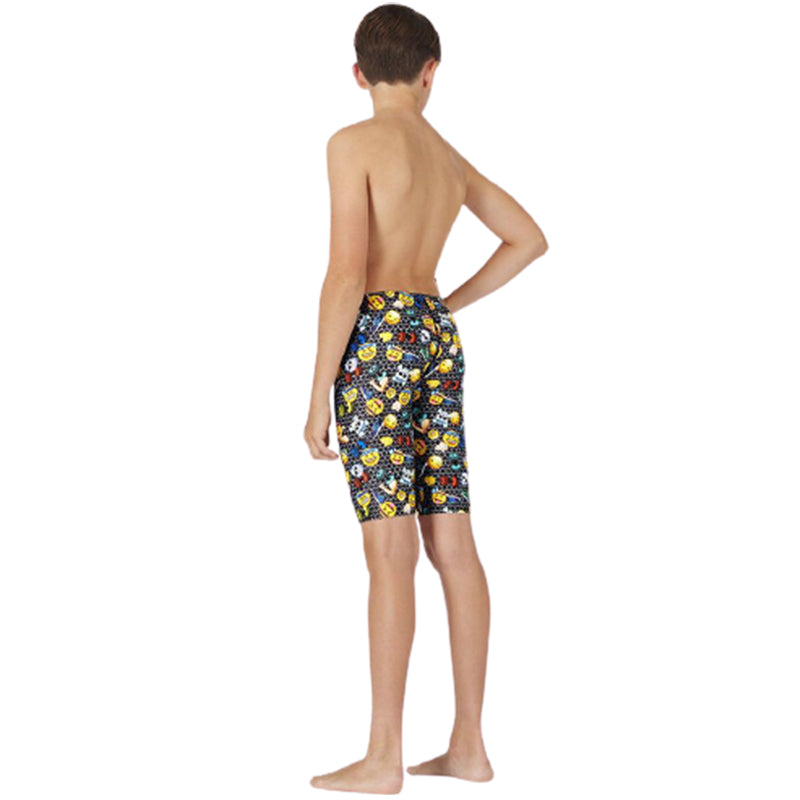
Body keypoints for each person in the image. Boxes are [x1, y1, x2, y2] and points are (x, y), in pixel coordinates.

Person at [303, 3, 548, 794]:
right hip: (435, 338)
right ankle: (468, 747)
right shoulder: (448, 158)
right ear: (430, 72)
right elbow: (529, 238)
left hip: (377, 341)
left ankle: (383, 758)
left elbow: (347, 273)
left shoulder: (353, 143)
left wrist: (318, 390)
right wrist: (445, 306)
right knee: (454, 542)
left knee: (389, 549)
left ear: (358, 74)